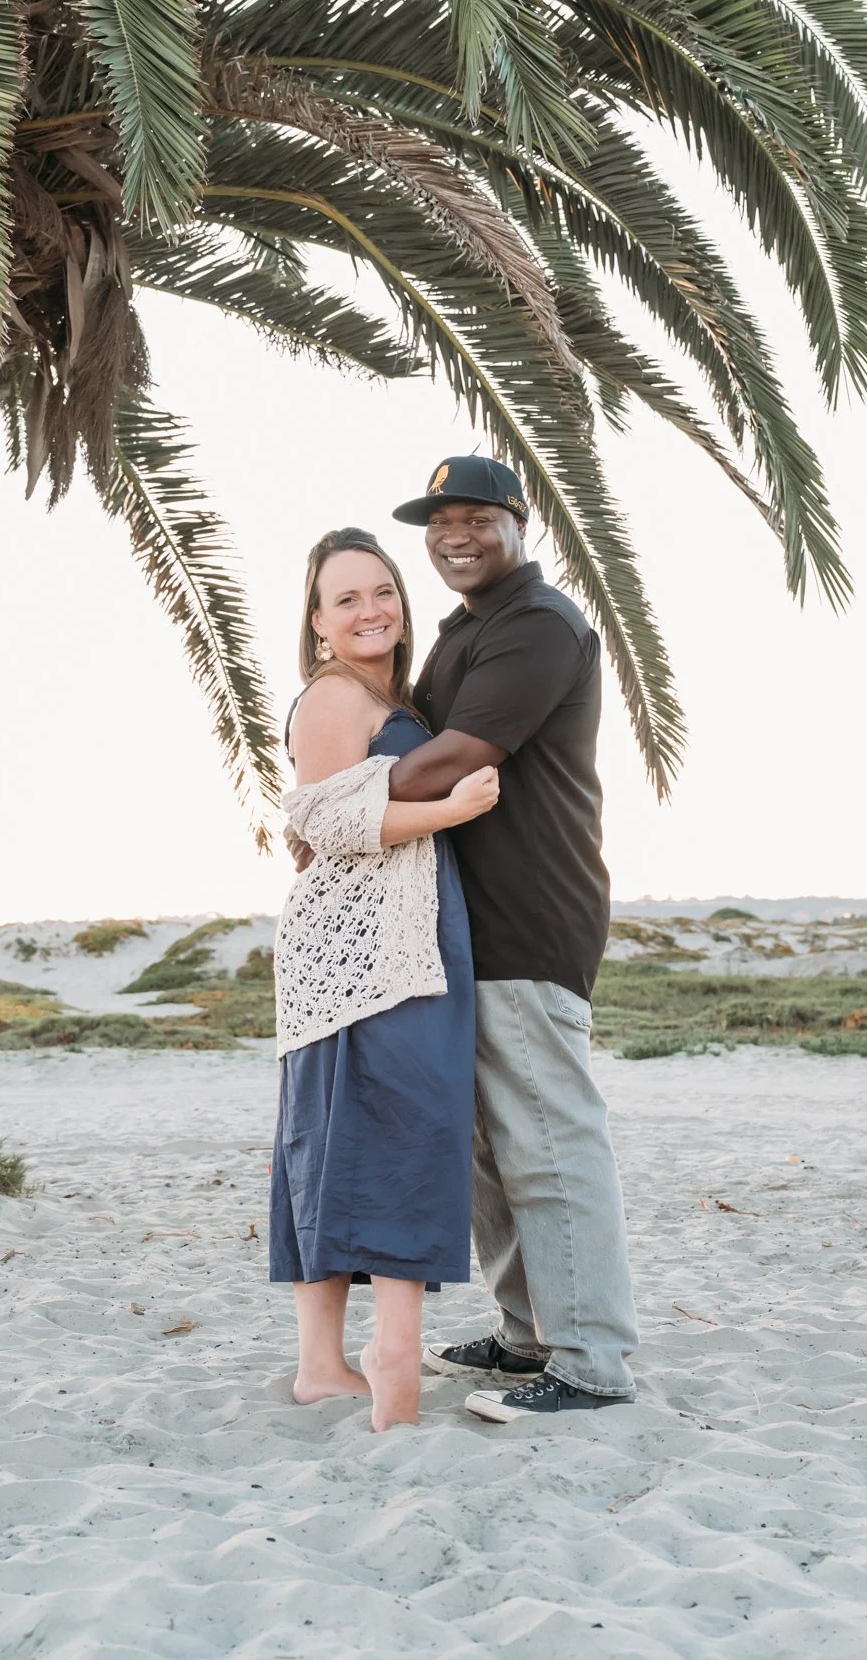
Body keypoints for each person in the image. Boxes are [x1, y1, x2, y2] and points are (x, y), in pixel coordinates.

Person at [387, 456, 639, 1421]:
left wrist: (335, 804)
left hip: (530, 919)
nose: (453, 534)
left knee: (547, 1140)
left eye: (474, 518)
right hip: (466, 927)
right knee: (491, 1144)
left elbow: (457, 759)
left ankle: (591, 1362)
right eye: (437, 520)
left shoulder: (538, 625)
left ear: (516, 520)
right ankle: (528, 1331)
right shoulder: (467, 631)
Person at [269, 527, 498, 1431]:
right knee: (393, 1124)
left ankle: (320, 1366)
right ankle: (379, 1352)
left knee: (333, 1134)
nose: (370, 611)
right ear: (318, 623)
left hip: (390, 935)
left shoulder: (384, 695)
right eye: (346, 599)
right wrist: (449, 807)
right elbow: (328, 825)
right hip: (362, 950)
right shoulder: (331, 696)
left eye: (382, 592)